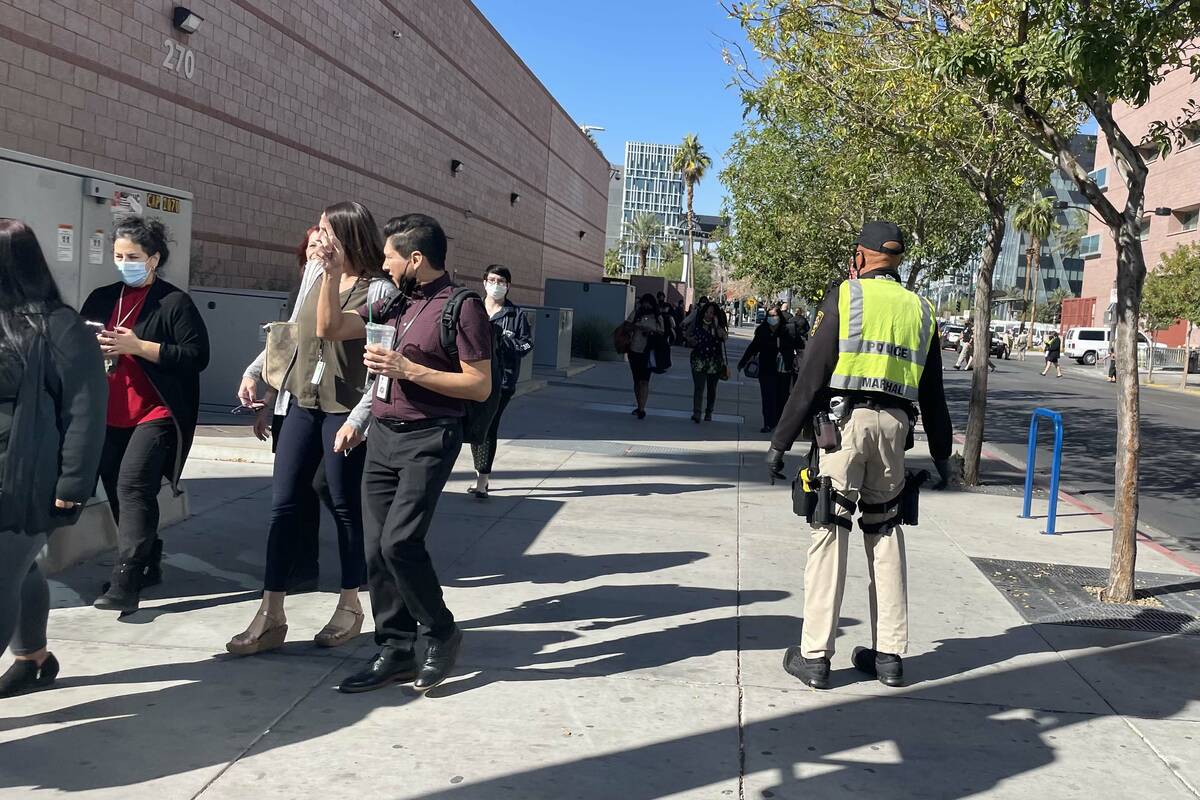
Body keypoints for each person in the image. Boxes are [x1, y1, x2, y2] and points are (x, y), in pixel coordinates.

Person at [766, 221, 953, 691]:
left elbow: (811, 374)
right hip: (896, 430)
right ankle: (889, 655)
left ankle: (815, 657)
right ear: (897, 259)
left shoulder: (846, 296)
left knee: (830, 528)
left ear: (861, 255)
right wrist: (945, 455)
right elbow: (933, 393)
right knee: (885, 530)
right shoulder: (922, 309)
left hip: (843, 428)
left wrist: (780, 441)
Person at [317, 213, 491, 694]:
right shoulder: (395, 301)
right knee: (375, 550)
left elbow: (478, 385)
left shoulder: (462, 306)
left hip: (430, 435)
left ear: (416, 258)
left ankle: (440, 631)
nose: (384, 264)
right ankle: (394, 648)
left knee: (399, 543)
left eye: (391, 256)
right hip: (383, 436)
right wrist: (330, 275)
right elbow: (331, 327)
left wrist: (408, 370)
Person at [229, 202, 397, 655]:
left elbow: (345, 339)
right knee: (283, 506)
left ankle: (349, 605)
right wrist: (257, 373)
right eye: (318, 230)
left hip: (345, 408)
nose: (317, 238)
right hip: (301, 403)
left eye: (325, 231)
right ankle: (270, 613)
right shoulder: (312, 275)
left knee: (344, 506)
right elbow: (292, 334)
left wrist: (361, 419)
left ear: (348, 237)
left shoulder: (379, 291)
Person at [0, 220, 108, 698]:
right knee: (18, 569)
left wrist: (72, 487)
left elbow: (85, 412)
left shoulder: (60, 327)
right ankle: (34, 657)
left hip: (28, 480)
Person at [81, 217, 210, 613]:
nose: (124, 263)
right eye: (119, 256)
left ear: (153, 258)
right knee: (118, 488)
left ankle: (127, 578)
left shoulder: (173, 302)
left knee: (133, 486)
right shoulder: (103, 298)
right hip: (110, 409)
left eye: (133, 256)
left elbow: (196, 356)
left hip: (155, 411)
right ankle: (148, 555)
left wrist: (139, 347)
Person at [468, 265, 532, 498]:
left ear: (508, 286)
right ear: (484, 282)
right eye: (492, 280)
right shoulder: (472, 310)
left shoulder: (516, 315)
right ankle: (480, 473)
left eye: (501, 281)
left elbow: (527, 345)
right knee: (475, 425)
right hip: (472, 377)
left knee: (488, 424)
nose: (496, 285)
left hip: (502, 381)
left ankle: (482, 479)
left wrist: (507, 342)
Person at [738, 305, 797, 432]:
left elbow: (797, 345)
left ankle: (777, 421)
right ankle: (768, 423)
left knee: (781, 397)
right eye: (770, 315)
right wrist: (743, 362)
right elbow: (753, 346)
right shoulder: (762, 330)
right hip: (766, 368)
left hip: (782, 369)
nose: (772, 318)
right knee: (767, 397)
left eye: (774, 315)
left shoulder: (787, 330)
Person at [688, 301, 727, 423]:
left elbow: (724, 337)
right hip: (698, 359)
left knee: (712, 388)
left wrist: (716, 326)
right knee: (699, 387)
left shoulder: (717, 326)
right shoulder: (697, 324)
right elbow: (687, 335)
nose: (709, 315)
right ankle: (697, 412)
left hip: (714, 361)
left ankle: (709, 411)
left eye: (712, 313)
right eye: (708, 312)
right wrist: (691, 340)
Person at [626, 294, 663, 419]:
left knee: (645, 381)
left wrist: (651, 331)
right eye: (644, 303)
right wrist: (636, 326)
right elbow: (626, 325)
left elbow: (662, 331)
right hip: (634, 350)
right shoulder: (636, 313)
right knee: (637, 380)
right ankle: (639, 405)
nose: (646, 305)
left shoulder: (657, 317)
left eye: (649, 303)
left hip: (649, 352)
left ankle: (642, 408)